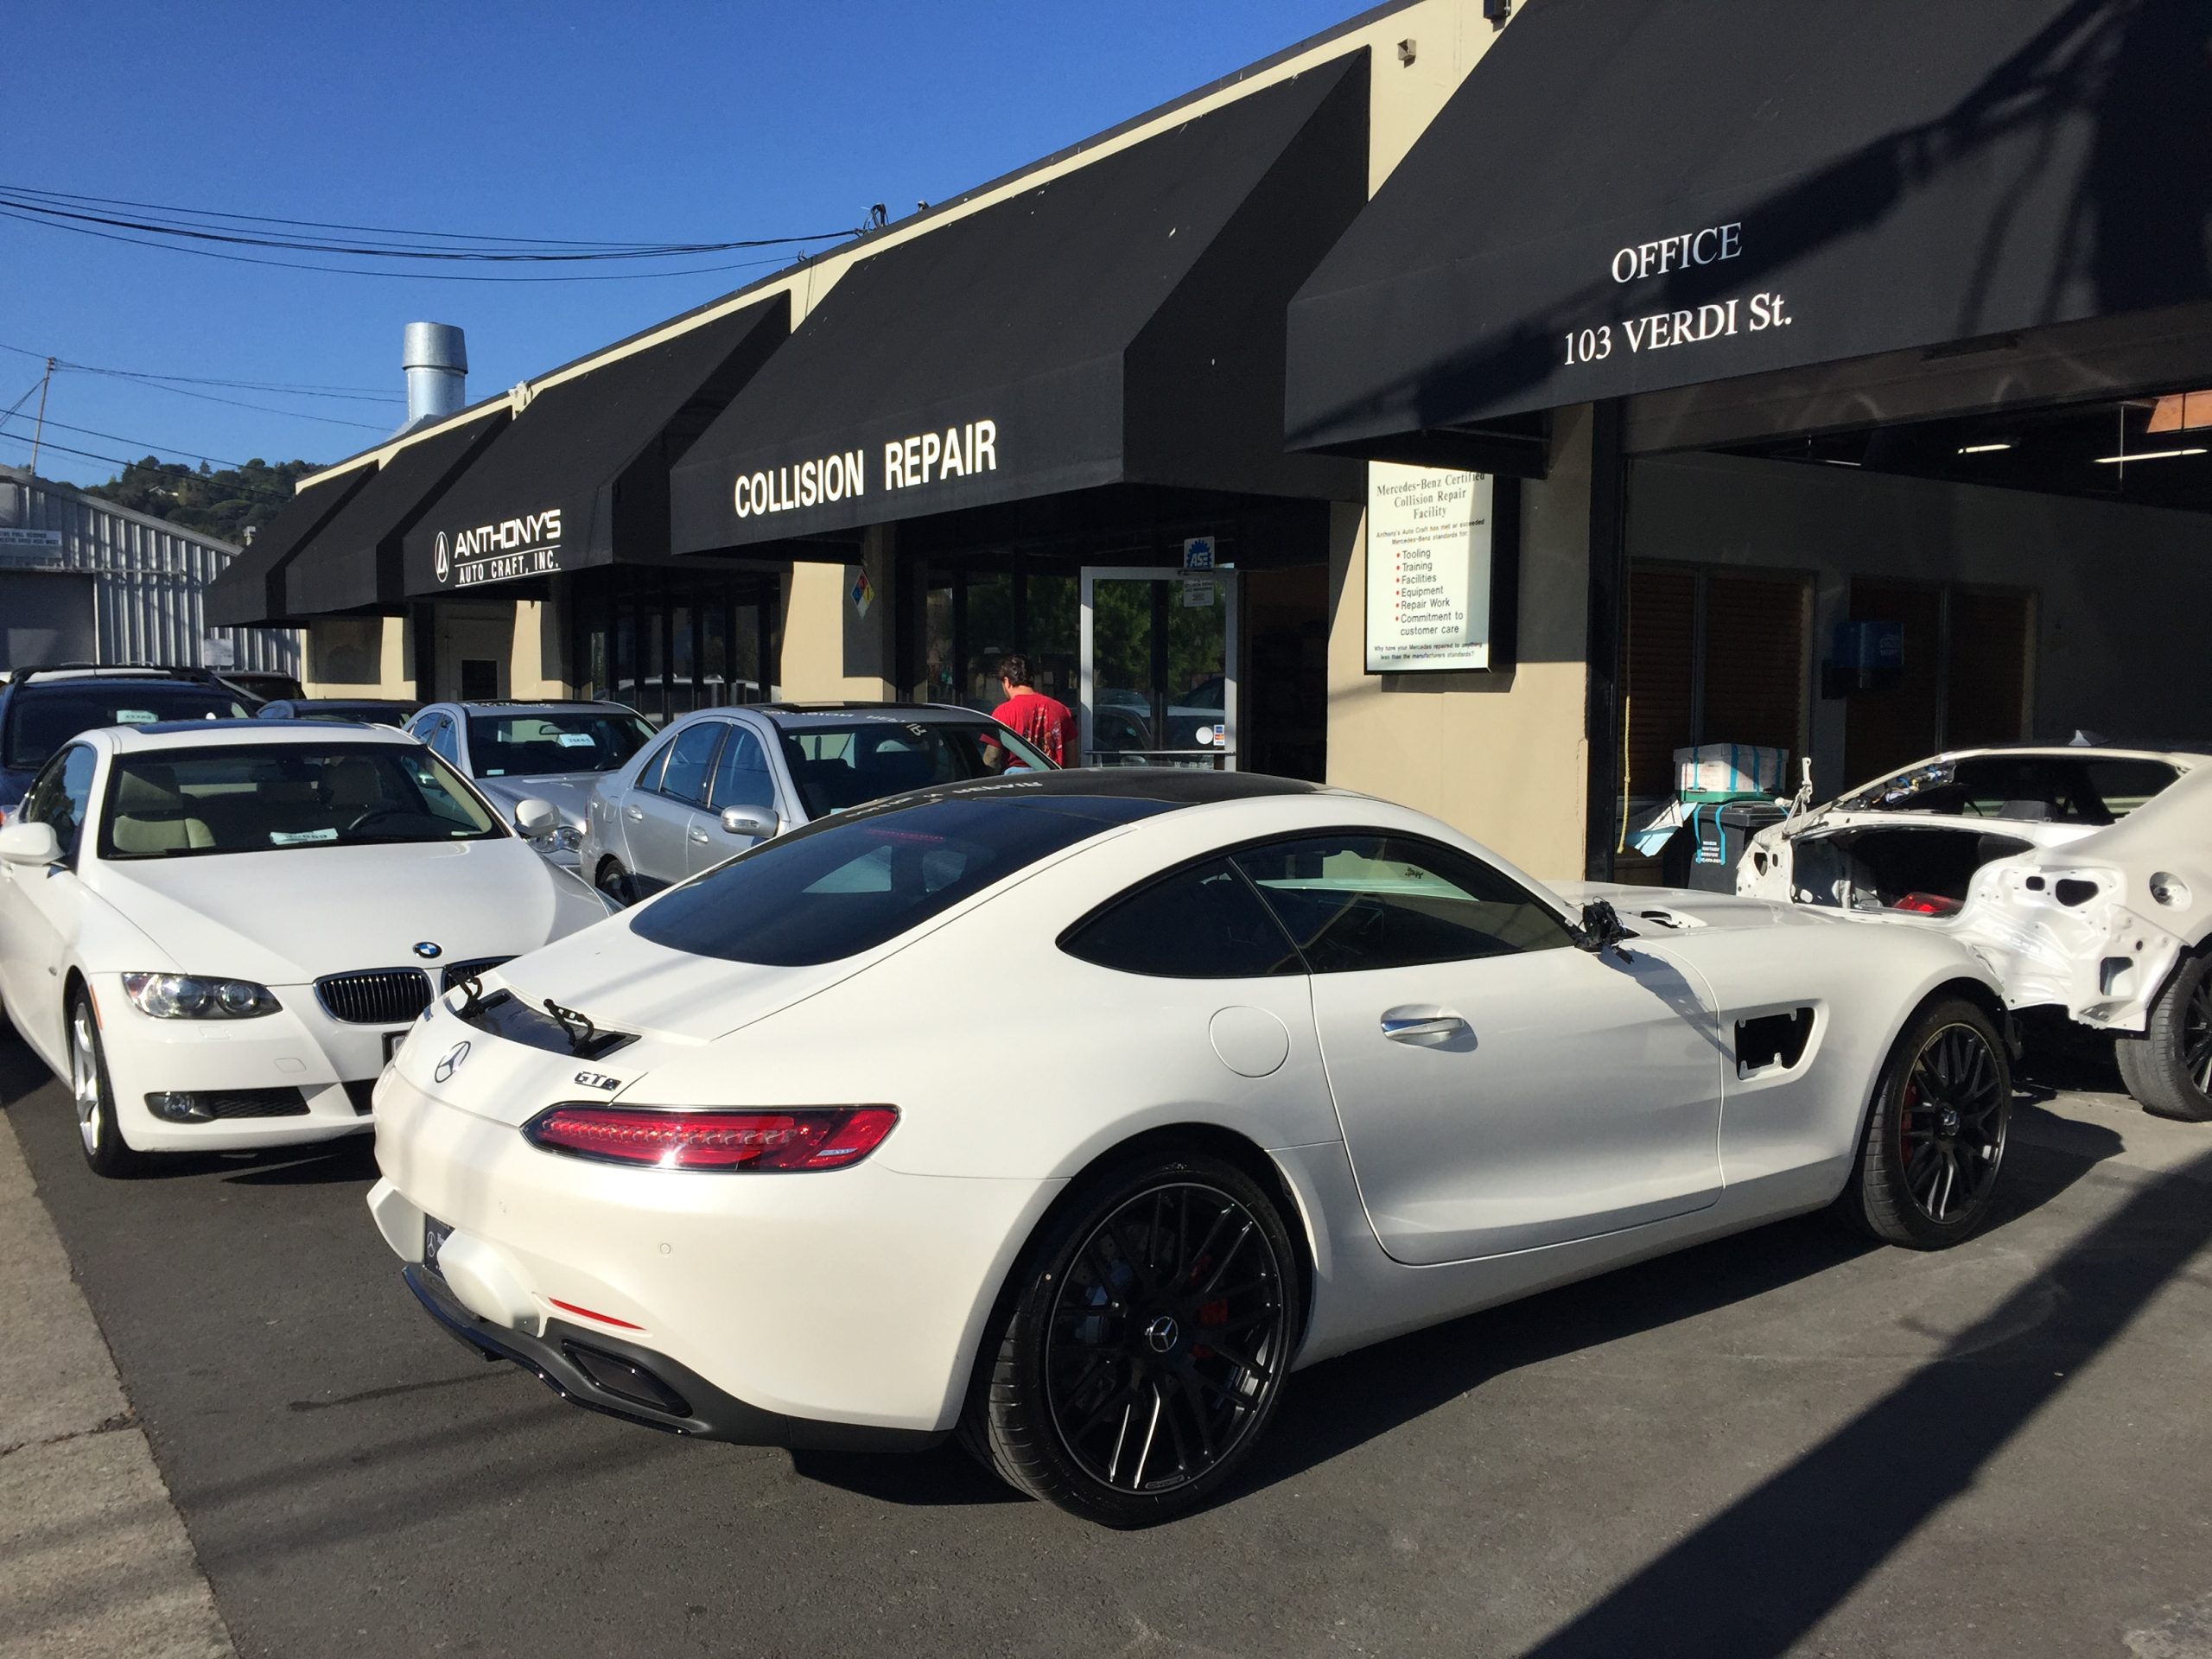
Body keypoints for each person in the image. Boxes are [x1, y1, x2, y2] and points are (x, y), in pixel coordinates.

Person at [990, 654, 1075, 768]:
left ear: (1007, 681)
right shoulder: (1060, 710)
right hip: (1053, 776)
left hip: (1016, 777)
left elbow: (992, 757)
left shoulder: (1003, 712)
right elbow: (1072, 759)